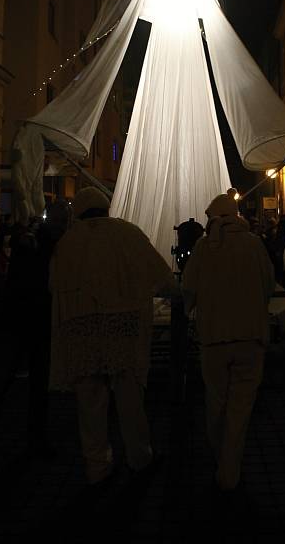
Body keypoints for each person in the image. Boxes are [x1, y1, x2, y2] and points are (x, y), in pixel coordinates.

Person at [49, 186, 179, 487]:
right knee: (130, 396)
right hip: (123, 327)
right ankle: (139, 457)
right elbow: (160, 275)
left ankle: (97, 467)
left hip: (82, 330)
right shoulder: (128, 234)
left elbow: (53, 283)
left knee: (90, 401)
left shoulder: (68, 243)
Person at [182, 192, 275, 492]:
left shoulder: (203, 248)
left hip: (214, 338)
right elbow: (268, 284)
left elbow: (189, 288)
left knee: (216, 402)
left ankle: (221, 458)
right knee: (241, 407)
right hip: (250, 336)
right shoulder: (254, 245)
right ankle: (230, 467)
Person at [0, 201, 70, 464]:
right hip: (27, 322)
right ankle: (28, 441)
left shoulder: (38, 240)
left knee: (13, 385)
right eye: (61, 221)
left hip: (20, 322)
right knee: (26, 385)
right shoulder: (44, 243)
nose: (63, 226)